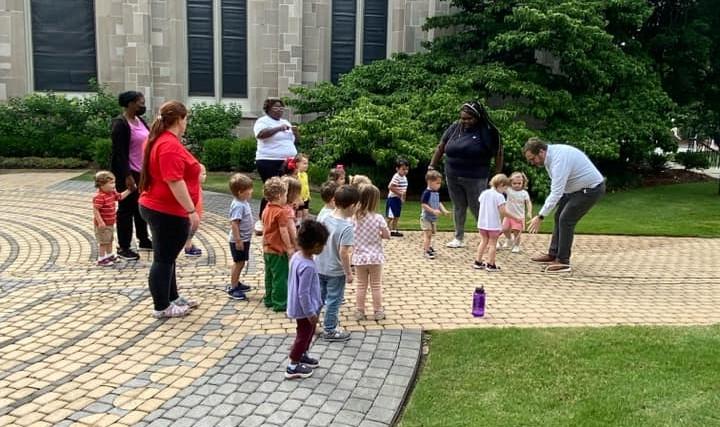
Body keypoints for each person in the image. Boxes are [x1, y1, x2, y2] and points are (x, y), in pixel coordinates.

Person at [138, 100, 200, 319]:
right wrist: (191, 211)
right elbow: (174, 180)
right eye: (186, 119)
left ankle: (172, 297)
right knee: (163, 259)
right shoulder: (168, 145)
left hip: (159, 206)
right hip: (166, 211)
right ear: (179, 119)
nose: (186, 123)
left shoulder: (160, 139)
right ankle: (162, 306)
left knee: (168, 257)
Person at [524, 137, 605, 273]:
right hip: (574, 190)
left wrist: (540, 216)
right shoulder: (551, 157)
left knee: (566, 219)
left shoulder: (558, 160)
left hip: (591, 189)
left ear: (541, 152)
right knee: (559, 217)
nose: (532, 163)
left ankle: (563, 261)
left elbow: (556, 192)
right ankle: (553, 254)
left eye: (533, 159)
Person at [429, 100, 502, 249]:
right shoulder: (455, 128)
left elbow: (499, 153)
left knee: (478, 208)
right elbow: (441, 147)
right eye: (463, 118)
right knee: (458, 207)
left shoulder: (487, 132)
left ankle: (491, 237)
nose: (465, 121)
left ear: (477, 117)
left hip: (476, 177)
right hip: (452, 174)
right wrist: (431, 166)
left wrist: (497, 175)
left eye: (469, 118)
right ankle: (459, 237)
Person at [285, 220, 329, 379]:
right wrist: (310, 313)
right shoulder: (308, 266)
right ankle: (293, 365)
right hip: (304, 309)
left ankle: (302, 354)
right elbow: (303, 293)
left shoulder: (297, 256)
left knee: (306, 332)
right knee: (303, 335)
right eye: (323, 244)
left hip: (302, 306)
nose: (324, 247)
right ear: (315, 245)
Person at [111, 90, 152, 260]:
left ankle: (144, 239)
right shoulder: (120, 124)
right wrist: (127, 176)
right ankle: (124, 247)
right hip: (127, 173)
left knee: (140, 207)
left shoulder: (140, 121)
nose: (143, 106)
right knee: (126, 210)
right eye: (140, 103)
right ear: (130, 104)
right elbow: (118, 153)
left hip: (142, 173)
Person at [316, 185, 359, 342]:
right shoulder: (347, 227)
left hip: (319, 266)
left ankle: (312, 324)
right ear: (352, 206)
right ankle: (330, 329)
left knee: (319, 298)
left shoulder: (325, 217)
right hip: (335, 271)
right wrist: (348, 273)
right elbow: (344, 253)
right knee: (334, 300)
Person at [254, 97, 299, 234]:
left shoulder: (286, 122)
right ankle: (263, 219)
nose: (279, 110)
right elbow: (261, 134)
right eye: (276, 107)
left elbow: (293, 141)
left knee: (287, 190)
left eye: (281, 107)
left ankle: (285, 217)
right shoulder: (262, 121)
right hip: (268, 160)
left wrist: (296, 133)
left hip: (287, 161)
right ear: (268, 109)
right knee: (272, 189)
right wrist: (279, 128)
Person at [352, 184, 390, 321]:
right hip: (375, 257)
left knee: (361, 285)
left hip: (359, 257)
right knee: (376, 285)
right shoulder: (378, 218)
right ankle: (378, 311)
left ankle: (360, 311)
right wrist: (380, 234)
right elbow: (387, 235)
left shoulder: (354, 218)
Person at [473, 174, 521, 272]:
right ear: (501, 185)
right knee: (493, 244)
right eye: (505, 188)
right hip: (493, 225)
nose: (505, 190)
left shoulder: (484, 193)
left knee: (483, 241)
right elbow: (503, 212)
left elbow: (481, 203)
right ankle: (491, 264)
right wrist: (515, 218)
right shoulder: (499, 196)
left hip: (482, 224)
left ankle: (478, 261)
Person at [262, 177, 295, 312]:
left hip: (267, 249)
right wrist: (289, 247)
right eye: (286, 195)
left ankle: (269, 299)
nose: (286, 198)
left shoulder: (266, 209)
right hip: (278, 250)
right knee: (280, 277)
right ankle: (280, 302)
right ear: (279, 196)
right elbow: (283, 231)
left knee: (269, 275)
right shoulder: (281, 212)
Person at [93, 171, 135, 266]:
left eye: (114, 182)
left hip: (110, 223)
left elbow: (120, 197)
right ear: (101, 185)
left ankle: (109, 255)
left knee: (109, 240)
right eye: (111, 183)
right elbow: (96, 210)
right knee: (103, 242)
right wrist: (100, 222)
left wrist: (129, 190)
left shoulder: (111, 193)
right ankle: (101, 259)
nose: (114, 185)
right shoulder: (99, 196)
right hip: (103, 224)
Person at [227, 173, 255, 300]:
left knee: (241, 262)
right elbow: (234, 223)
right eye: (249, 189)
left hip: (244, 239)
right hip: (239, 240)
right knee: (239, 263)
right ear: (240, 192)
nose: (252, 191)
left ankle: (236, 282)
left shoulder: (243, 202)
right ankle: (233, 287)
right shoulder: (238, 205)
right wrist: (238, 240)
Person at [498, 171, 532, 253]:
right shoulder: (508, 190)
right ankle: (509, 239)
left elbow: (528, 203)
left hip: (518, 217)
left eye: (519, 183)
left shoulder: (524, 193)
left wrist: (529, 212)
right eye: (514, 183)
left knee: (517, 232)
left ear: (523, 183)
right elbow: (501, 186)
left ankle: (516, 246)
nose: (517, 185)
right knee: (504, 229)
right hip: (508, 215)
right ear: (511, 182)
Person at [420, 170, 449, 260]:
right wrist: (433, 211)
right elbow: (423, 204)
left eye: (440, 183)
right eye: (437, 183)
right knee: (428, 234)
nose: (439, 185)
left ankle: (429, 247)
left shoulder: (436, 193)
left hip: (433, 218)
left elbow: (439, 203)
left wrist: (444, 210)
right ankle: (426, 251)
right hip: (426, 218)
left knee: (432, 234)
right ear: (429, 182)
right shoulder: (427, 193)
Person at [183, 163, 206, 257]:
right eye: (203, 174)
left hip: (197, 213)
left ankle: (189, 243)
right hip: (192, 214)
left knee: (191, 230)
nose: (205, 176)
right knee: (190, 229)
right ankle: (188, 247)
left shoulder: (198, 187)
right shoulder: (191, 188)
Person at [385, 158, 409, 237]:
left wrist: (403, 198)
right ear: (397, 169)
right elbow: (390, 187)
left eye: (407, 169)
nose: (405, 171)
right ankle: (384, 230)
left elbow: (404, 190)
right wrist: (400, 194)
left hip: (398, 199)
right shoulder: (396, 176)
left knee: (397, 216)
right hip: (392, 199)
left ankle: (394, 230)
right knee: (390, 217)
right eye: (403, 169)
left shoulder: (404, 178)